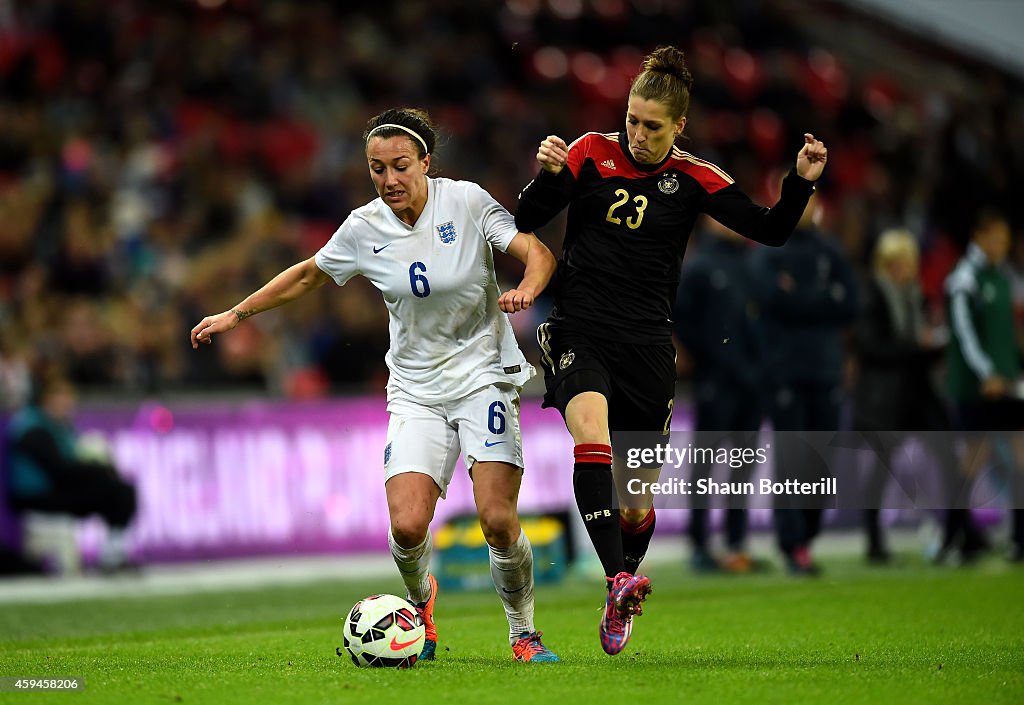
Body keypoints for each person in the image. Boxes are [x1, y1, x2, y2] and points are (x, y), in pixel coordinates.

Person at [191, 108, 560, 663]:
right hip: (415, 388)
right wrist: (237, 315)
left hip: (484, 375)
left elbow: (537, 251)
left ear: (426, 163)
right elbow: (310, 274)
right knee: (408, 525)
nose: (389, 180)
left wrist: (529, 288)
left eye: (400, 166)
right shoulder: (364, 227)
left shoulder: (464, 200)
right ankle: (421, 607)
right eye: (377, 169)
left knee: (497, 519)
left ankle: (523, 633)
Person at [515, 46, 827, 654]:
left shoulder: (694, 178)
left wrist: (800, 183)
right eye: (631, 119)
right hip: (581, 327)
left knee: (635, 503)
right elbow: (528, 217)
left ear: (678, 126)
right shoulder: (587, 153)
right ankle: (617, 580)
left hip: (649, 345)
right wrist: (548, 174)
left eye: (651, 126)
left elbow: (770, 229)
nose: (636, 134)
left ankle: (620, 589)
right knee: (592, 435)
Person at [751, 194, 858, 575]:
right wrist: (823, 300)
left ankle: (807, 537)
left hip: (826, 369)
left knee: (820, 459)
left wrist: (798, 297)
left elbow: (852, 304)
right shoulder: (770, 248)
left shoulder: (830, 249)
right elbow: (766, 297)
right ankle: (792, 542)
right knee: (792, 459)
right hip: (785, 372)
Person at [851, 229, 955, 564]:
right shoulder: (873, 297)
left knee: (948, 454)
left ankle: (960, 531)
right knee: (881, 468)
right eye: (896, 263)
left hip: (918, 391)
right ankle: (874, 541)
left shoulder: (917, 296)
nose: (903, 269)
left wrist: (933, 347)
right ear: (885, 264)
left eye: (907, 262)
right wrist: (916, 346)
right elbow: (869, 347)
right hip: (885, 397)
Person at [673, 221, 765, 574]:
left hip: (752, 381)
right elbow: (681, 319)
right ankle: (699, 543)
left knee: (743, 465)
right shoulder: (699, 264)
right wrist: (708, 358)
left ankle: (736, 543)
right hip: (716, 380)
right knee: (705, 466)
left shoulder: (751, 261)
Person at [943, 209, 1024, 564]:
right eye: (995, 238)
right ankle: (953, 538)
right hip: (977, 389)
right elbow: (964, 335)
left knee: (1022, 461)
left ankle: (1021, 539)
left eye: (1004, 240)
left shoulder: (1005, 277)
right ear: (978, 236)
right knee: (972, 466)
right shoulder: (964, 279)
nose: (1000, 246)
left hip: (1008, 384)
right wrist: (986, 372)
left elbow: (1008, 335)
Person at [4, 371, 137, 572]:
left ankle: (113, 552)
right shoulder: (32, 428)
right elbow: (59, 469)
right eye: (62, 398)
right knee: (113, 489)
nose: (68, 403)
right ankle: (111, 555)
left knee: (119, 491)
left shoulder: (59, 426)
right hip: (34, 496)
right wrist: (97, 468)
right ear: (46, 399)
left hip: (52, 491)